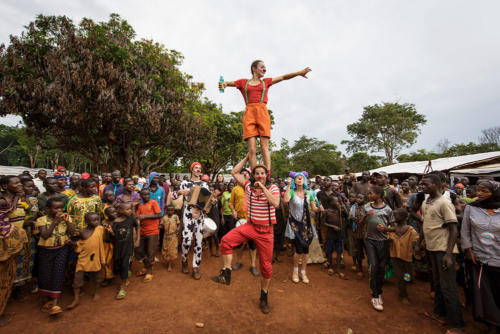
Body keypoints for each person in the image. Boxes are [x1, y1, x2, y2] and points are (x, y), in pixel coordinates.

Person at [212, 154, 280, 314]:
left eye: (263, 173)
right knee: (226, 241)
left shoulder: (273, 187)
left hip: (266, 231)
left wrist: (262, 188)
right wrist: (247, 156)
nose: (260, 176)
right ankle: (226, 274)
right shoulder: (248, 185)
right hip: (250, 226)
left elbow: (275, 203)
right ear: (253, 175)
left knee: (266, 267)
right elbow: (234, 172)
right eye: (257, 173)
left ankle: (264, 295)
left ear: (266, 175)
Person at [219, 60, 311, 172]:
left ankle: (267, 174)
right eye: (262, 67)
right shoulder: (243, 83)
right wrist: (223, 84)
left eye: (265, 68)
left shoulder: (266, 82)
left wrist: (299, 72)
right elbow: (228, 83)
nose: (264, 69)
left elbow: (283, 77)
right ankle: (254, 175)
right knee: (252, 149)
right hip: (249, 113)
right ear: (254, 68)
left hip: (262, 113)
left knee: (264, 147)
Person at [420, 174, 464, 333]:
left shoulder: (444, 203)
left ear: (438, 185)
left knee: (448, 287)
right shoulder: (426, 202)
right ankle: (438, 312)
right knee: (437, 282)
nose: (422, 187)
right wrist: (422, 240)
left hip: (443, 250)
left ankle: (457, 325)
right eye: (421, 184)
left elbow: (453, 228)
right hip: (432, 248)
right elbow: (427, 224)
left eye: (426, 184)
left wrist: (448, 253)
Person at [460, 180, 500, 331]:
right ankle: (491, 322)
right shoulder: (472, 208)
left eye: (484, 191)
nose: (479, 194)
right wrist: (469, 250)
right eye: (478, 190)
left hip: (497, 257)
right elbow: (465, 230)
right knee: (483, 292)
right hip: (478, 257)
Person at [171, 162, 211, 280]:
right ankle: (184, 260)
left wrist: (207, 206)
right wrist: (180, 192)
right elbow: (173, 196)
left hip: (200, 216)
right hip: (188, 216)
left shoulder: (204, 184)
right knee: (187, 241)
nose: (198, 170)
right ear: (191, 170)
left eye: (199, 168)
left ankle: (195, 267)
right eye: (196, 168)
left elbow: (207, 200)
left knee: (198, 243)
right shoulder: (185, 183)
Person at [36, 198, 75, 315]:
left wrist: (67, 221)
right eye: (56, 208)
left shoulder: (66, 218)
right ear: (48, 209)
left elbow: (72, 233)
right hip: (46, 251)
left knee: (58, 273)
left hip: (61, 249)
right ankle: (45, 299)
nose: (59, 210)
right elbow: (45, 235)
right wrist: (55, 222)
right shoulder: (42, 220)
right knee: (45, 274)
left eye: (61, 208)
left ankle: (55, 302)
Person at [361, 185, 395, 311]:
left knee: (381, 268)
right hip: (370, 241)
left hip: (383, 242)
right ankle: (375, 296)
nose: (369, 195)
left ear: (379, 195)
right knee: (374, 265)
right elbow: (360, 223)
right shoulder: (366, 207)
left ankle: (378, 291)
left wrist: (386, 229)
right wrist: (366, 216)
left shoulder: (388, 210)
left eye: (371, 193)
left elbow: (393, 227)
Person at [0, 178, 28, 327]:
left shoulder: (14, 200)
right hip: (4, 244)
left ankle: (2, 309)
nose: (19, 185)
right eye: (15, 183)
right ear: (5, 186)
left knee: (8, 276)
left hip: (11, 244)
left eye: (20, 183)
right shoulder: (3, 202)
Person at [283, 171, 319, 284]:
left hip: (306, 224)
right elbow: (285, 200)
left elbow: (314, 208)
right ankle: (295, 271)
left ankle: (303, 272)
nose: (299, 179)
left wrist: (319, 209)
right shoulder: (292, 192)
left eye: (301, 178)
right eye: (297, 178)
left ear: (304, 180)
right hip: (295, 224)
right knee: (298, 250)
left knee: (306, 250)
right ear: (294, 181)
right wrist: (288, 185)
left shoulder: (309, 193)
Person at [379, 208, 418, 305]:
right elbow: (386, 238)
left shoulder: (410, 230)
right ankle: (403, 294)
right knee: (399, 276)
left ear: (403, 217)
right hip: (394, 256)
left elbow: (416, 241)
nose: (393, 217)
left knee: (407, 275)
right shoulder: (391, 229)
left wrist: (416, 249)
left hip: (407, 257)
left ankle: (406, 283)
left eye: (395, 215)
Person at [67, 212, 105, 309]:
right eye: (94, 220)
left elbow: (104, 239)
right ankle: (76, 299)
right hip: (83, 258)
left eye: (98, 219)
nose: (97, 222)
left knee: (97, 277)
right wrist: (71, 243)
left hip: (96, 257)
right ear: (87, 221)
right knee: (77, 278)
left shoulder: (100, 229)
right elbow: (81, 244)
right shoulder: (82, 232)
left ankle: (96, 292)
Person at [228, 168, 259, 275]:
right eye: (242, 173)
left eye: (247, 173)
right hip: (239, 220)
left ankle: (253, 265)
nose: (245, 174)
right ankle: (239, 261)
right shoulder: (235, 189)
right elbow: (231, 203)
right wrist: (233, 211)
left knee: (252, 245)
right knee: (239, 244)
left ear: (250, 176)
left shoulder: (254, 188)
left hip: (252, 221)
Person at [107, 203, 139, 300]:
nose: (130, 211)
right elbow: (114, 236)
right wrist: (111, 232)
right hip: (118, 247)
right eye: (128, 209)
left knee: (125, 265)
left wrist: (137, 239)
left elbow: (138, 227)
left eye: (130, 209)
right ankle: (125, 279)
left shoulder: (131, 219)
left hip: (128, 247)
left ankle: (123, 286)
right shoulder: (115, 223)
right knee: (118, 264)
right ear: (120, 210)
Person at [135, 189, 162, 282]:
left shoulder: (153, 202)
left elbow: (159, 215)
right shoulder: (140, 206)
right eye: (144, 194)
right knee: (139, 251)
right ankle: (147, 266)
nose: (146, 196)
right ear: (141, 196)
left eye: (147, 194)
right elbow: (137, 218)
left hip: (152, 232)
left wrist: (145, 216)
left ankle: (149, 271)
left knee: (151, 252)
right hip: (142, 231)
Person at [323, 196, 348, 279]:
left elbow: (346, 215)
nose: (337, 203)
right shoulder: (326, 212)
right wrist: (333, 226)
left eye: (338, 201)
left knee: (339, 251)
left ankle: (338, 268)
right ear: (331, 203)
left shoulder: (339, 211)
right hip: (331, 234)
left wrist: (342, 205)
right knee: (329, 251)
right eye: (335, 201)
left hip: (339, 234)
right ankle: (330, 266)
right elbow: (323, 223)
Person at [350, 193, 367, 278]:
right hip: (357, 232)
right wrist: (352, 218)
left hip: (366, 232)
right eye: (357, 198)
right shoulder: (353, 207)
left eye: (361, 198)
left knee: (368, 251)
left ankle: (371, 268)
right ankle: (360, 268)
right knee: (358, 250)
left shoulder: (367, 207)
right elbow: (350, 216)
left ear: (364, 199)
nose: (358, 199)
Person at [161, 205, 180, 272]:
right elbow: (162, 225)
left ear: (173, 211)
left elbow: (178, 224)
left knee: (172, 250)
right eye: (168, 210)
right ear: (166, 211)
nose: (170, 211)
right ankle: (167, 261)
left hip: (173, 236)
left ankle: (170, 264)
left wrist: (177, 229)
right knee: (165, 249)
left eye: (171, 210)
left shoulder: (175, 217)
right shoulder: (164, 218)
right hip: (166, 236)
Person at [101, 207, 117, 284]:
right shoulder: (104, 222)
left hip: (115, 243)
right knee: (106, 261)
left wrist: (111, 232)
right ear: (107, 214)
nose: (114, 213)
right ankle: (108, 276)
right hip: (105, 243)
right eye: (112, 212)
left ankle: (111, 276)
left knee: (111, 261)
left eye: (115, 211)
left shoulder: (117, 222)